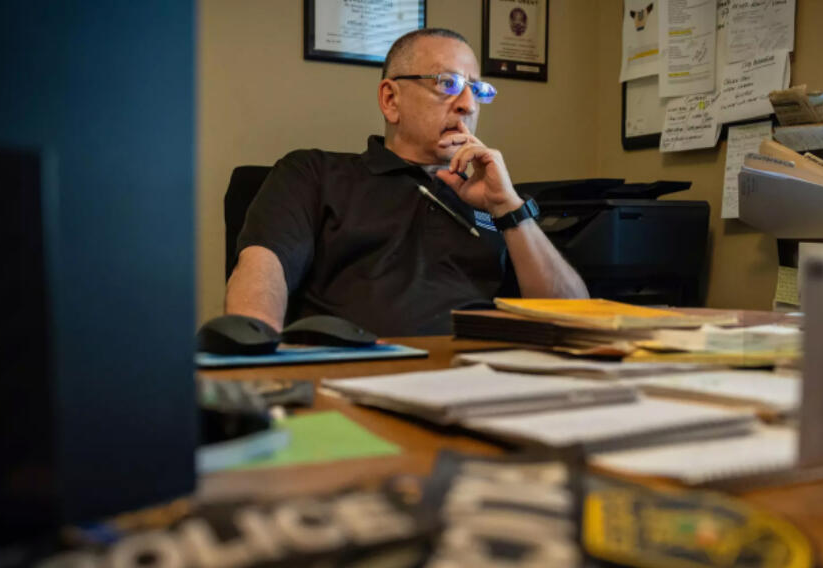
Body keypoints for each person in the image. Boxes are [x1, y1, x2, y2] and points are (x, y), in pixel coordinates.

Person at [225, 27, 587, 336]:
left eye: (476, 91)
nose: (468, 105)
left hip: (485, 377)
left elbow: (576, 320)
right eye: (448, 83)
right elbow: (262, 272)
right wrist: (255, 366)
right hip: (360, 375)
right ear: (390, 100)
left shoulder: (498, 199)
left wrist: (508, 209)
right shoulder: (314, 173)